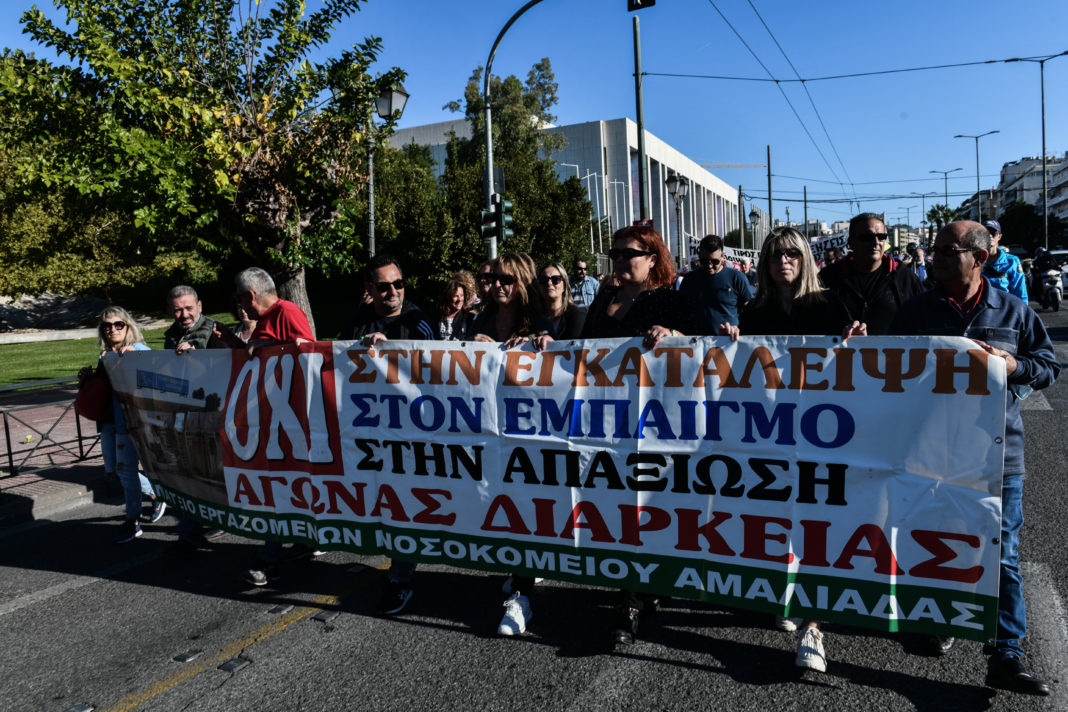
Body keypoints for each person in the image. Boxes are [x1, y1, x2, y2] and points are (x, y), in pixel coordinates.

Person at [891, 221, 1059, 697]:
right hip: (930, 455)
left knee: (1001, 553)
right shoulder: (915, 312)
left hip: (997, 455)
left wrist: (1016, 367)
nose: (934, 256)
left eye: (946, 250)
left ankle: (1006, 654)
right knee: (932, 541)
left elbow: (1048, 366)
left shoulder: (1015, 311)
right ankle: (939, 617)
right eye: (934, 249)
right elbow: (884, 372)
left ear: (978, 258)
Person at [736, 227, 865, 674]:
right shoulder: (755, 311)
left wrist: (855, 336)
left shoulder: (829, 306)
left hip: (824, 434)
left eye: (792, 253)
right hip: (772, 432)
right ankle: (785, 592)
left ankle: (813, 622)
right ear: (765, 263)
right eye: (775, 255)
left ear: (805, 259)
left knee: (817, 522)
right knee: (777, 517)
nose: (784, 261)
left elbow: (858, 355)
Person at [581, 224, 694, 646]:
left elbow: (706, 345)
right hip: (606, 421)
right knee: (617, 504)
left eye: (630, 253)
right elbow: (579, 351)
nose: (620, 261)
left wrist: (675, 336)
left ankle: (630, 599)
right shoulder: (603, 300)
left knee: (648, 503)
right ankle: (640, 586)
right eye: (615, 254)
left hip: (656, 424)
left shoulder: (670, 301)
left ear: (652, 259)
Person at [215, 268, 315, 585]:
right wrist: (234, 341)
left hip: (289, 422)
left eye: (240, 297)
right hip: (273, 421)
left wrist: (295, 347)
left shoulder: (287, 311)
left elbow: (311, 354)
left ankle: (268, 561)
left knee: (277, 490)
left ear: (251, 295)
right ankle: (304, 542)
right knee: (282, 488)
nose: (240, 303)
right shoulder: (269, 319)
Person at [163, 286, 229, 554]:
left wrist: (198, 357)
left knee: (211, 471)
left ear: (200, 305)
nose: (184, 314)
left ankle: (211, 520)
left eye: (189, 307)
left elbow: (228, 366)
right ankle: (191, 531)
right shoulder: (170, 335)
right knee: (192, 471)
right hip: (186, 414)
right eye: (178, 309)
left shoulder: (215, 329)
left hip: (213, 414)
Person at [89, 307, 161, 543]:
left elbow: (158, 373)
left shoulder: (138, 350)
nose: (112, 330)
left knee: (127, 470)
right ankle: (152, 497)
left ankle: (134, 519)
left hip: (133, 422)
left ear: (128, 327)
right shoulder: (107, 354)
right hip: (112, 421)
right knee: (117, 470)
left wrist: (138, 360)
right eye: (107, 326)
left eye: (118, 325)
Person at [818, 213, 924, 334]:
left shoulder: (903, 276)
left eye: (881, 236)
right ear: (851, 242)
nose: (875, 242)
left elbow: (922, 320)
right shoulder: (828, 277)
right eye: (867, 237)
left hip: (890, 353)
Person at [340, 254, 435, 345]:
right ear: (369, 288)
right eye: (384, 286)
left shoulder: (419, 323)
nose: (393, 292)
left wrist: (387, 348)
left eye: (399, 284)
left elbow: (435, 359)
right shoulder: (356, 323)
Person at [472, 253, 552, 347]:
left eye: (505, 279)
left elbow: (558, 355)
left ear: (522, 282)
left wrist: (548, 341)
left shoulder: (539, 322)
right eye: (493, 279)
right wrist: (469, 343)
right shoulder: (482, 320)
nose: (497, 284)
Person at [677, 234, 752, 335]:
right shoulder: (689, 280)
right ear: (699, 256)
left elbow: (749, 312)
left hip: (728, 344)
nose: (709, 265)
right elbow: (681, 312)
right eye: (704, 261)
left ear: (722, 256)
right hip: (696, 345)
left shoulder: (737, 278)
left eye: (714, 261)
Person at [163, 285, 227, 352]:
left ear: (199, 306)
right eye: (178, 310)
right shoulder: (171, 334)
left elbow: (224, 360)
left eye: (189, 308)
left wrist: (196, 351)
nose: (185, 315)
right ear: (169, 311)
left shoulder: (216, 332)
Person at [536, 261, 586, 339]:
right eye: (543, 279)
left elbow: (573, 347)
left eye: (555, 279)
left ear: (565, 286)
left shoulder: (577, 315)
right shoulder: (532, 319)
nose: (549, 283)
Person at [982, 220, 1028, 301]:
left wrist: (1022, 312)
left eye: (993, 233)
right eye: (985, 232)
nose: (989, 236)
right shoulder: (974, 260)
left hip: (1005, 310)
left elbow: (1020, 293)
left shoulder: (1012, 262)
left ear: (999, 236)